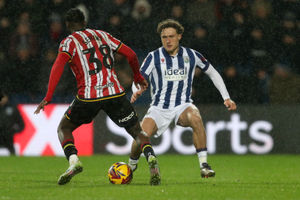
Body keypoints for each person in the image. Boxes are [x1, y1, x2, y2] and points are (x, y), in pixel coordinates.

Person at [34, 8, 160, 185]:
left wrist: (48, 96)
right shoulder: (102, 34)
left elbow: (57, 66)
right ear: (84, 22)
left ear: (68, 25)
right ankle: (151, 158)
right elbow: (131, 54)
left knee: (64, 128)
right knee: (137, 131)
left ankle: (74, 161)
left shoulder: (68, 42)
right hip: (115, 92)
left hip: (88, 97)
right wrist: (138, 78)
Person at [128, 19, 237, 178]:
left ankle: (204, 165)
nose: (168, 40)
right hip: (159, 107)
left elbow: (212, 72)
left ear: (179, 36)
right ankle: (131, 166)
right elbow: (138, 78)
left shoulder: (192, 55)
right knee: (140, 137)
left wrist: (226, 97)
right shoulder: (154, 56)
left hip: (182, 105)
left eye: (171, 36)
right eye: (164, 37)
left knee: (196, 118)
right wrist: (136, 90)